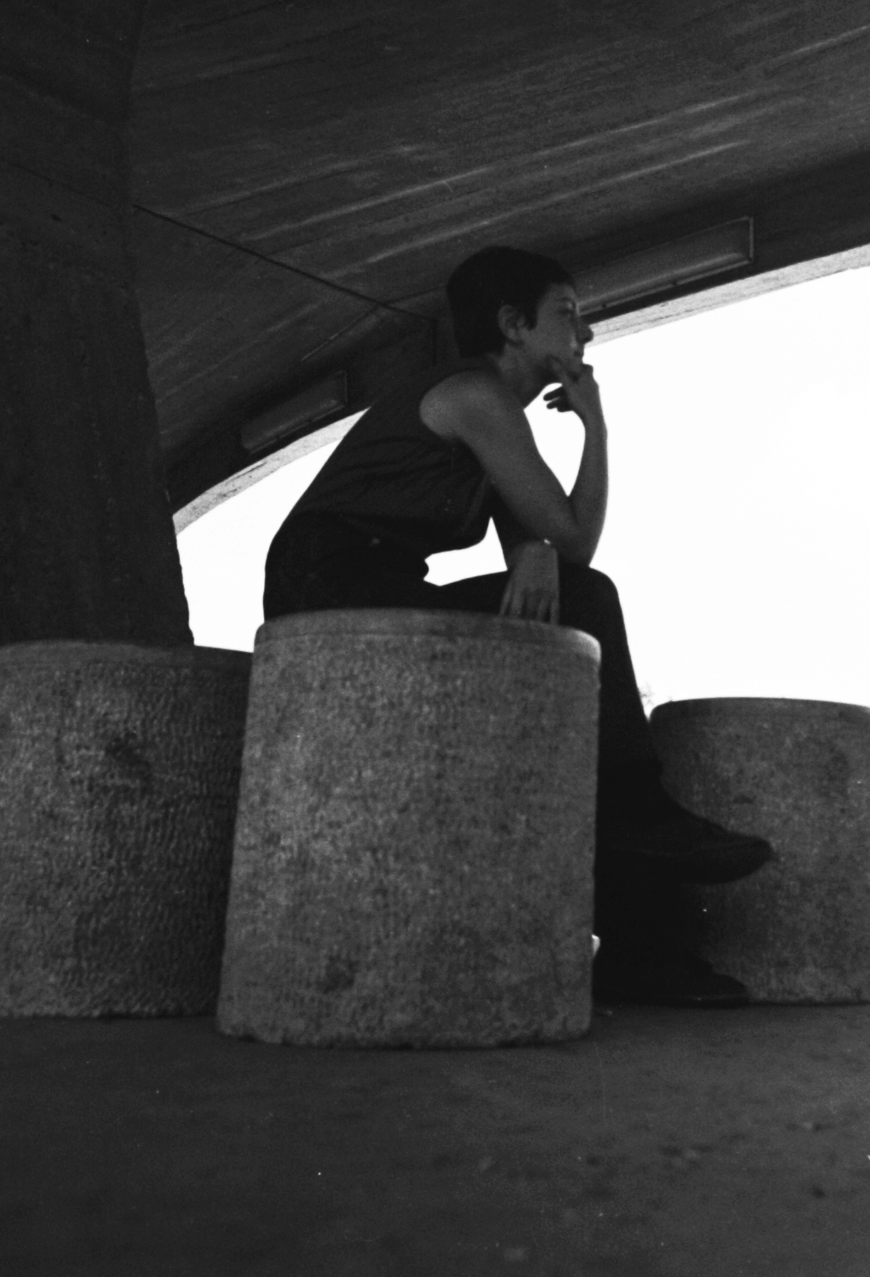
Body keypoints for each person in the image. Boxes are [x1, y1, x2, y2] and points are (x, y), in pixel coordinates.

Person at [263, 245, 772, 1006]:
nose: (586, 334)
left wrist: (543, 539)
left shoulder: (497, 416)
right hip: (328, 590)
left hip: (385, 589)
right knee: (590, 603)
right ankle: (642, 827)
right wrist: (594, 433)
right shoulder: (475, 395)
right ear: (511, 324)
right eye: (567, 314)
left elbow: (559, 553)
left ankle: (643, 920)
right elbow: (570, 551)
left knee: (576, 619)